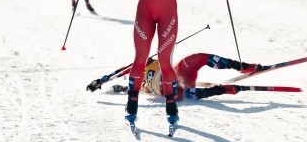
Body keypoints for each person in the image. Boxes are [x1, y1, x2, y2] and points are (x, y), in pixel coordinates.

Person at [86, 53, 262, 100]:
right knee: (181, 93)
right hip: (169, 88)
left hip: (176, 74)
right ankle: (222, 90)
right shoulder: (138, 74)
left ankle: (242, 67)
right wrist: (100, 81)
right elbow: (119, 73)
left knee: (199, 57)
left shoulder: (152, 63)